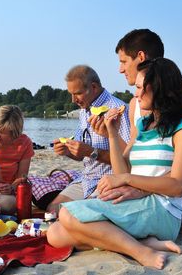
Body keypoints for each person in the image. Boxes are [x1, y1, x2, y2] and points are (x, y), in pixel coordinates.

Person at [47, 58, 182, 269]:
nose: (134, 95)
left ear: (158, 88)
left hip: (162, 210)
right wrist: (112, 133)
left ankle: (141, 252)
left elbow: (178, 185)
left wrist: (128, 179)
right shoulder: (143, 125)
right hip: (137, 205)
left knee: (67, 213)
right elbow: (121, 170)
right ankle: (141, 242)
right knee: (55, 234)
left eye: (138, 88)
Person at [91, 29, 182, 229]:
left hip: (181, 202)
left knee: (96, 221)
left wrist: (142, 190)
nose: (120, 70)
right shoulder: (135, 104)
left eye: (123, 62)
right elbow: (131, 158)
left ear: (140, 56)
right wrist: (110, 134)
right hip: (142, 191)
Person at [46, 65, 130, 213]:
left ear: (94, 87)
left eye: (77, 93)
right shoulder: (84, 110)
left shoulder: (117, 109)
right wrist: (68, 151)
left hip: (110, 181)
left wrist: (91, 152)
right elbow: (82, 155)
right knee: (52, 211)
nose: (73, 99)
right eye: (71, 94)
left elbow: (128, 160)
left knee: (78, 216)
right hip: (86, 179)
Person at [0, 105, 35, 215]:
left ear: (14, 133)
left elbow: (22, 176)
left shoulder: (24, 143)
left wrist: (11, 187)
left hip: (3, 195)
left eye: (1, 132)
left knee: (10, 204)